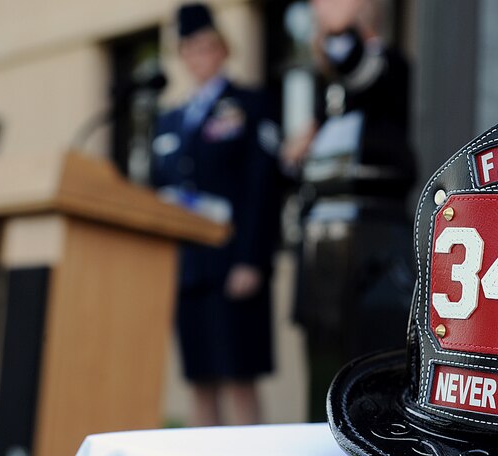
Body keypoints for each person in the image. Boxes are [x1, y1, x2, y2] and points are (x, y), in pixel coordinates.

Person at [281, 0, 416, 422]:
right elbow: (304, 154)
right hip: (325, 231)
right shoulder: (330, 82)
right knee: (323, 353)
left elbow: (358, 65)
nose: (320, 7)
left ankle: (368, 434)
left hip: (374, 232)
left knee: (369, 352)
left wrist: (343, 29)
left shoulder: (389, 64)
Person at [150, 3, 279, 426]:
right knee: (200, 379)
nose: (199, 56)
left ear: (224, 49)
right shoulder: (170, 121)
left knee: (238, 377)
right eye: (190, 48)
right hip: (188, 269)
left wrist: (251, 259)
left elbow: (262, 188)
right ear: (182, 55)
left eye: (208, 46)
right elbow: (158, 190)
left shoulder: (249, 105)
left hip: (232, 263)